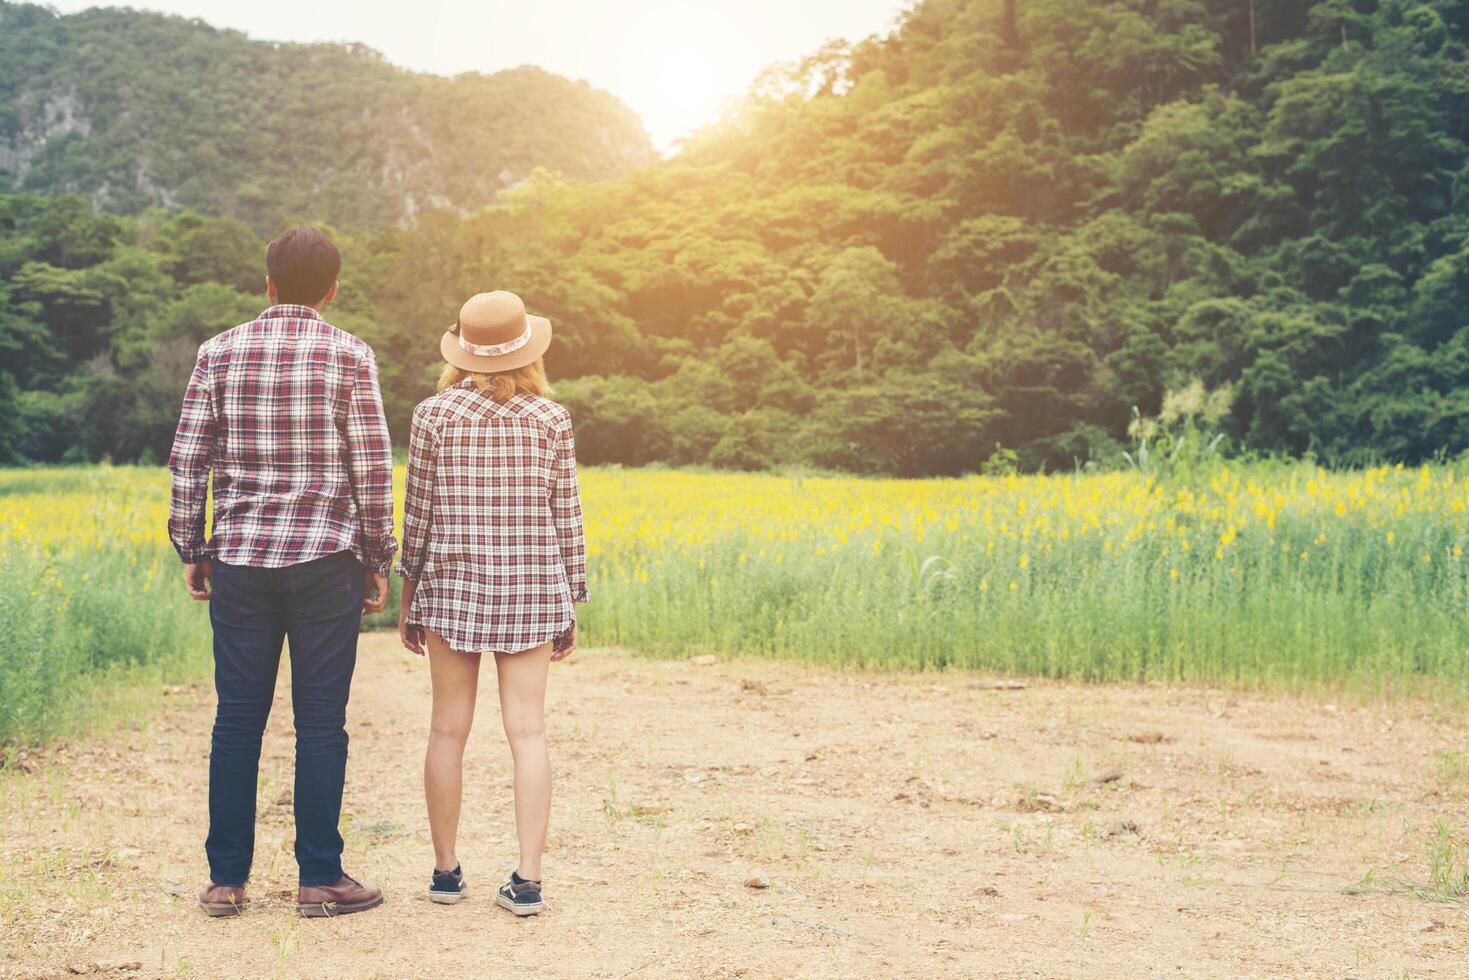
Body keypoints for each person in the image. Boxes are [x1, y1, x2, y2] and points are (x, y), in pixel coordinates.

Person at [167, 227, 396, 918]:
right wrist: (377, 557)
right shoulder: (349, 354)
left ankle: (226, 880)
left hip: (238, 559)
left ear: (267, 283)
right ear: (331, 289)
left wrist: (192, 546)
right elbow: (372, 467)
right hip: (327, 560)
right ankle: (320, 877)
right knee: (321, 722)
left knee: (237, 719)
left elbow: (188, 460)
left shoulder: (219, 352)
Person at [396, 290, 587, 916]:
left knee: (446, 729)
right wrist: (571, 599)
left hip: (451, 588)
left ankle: (445, 873)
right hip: (532, 590)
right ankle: (528, 881)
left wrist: (409, 596)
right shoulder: (550, 419)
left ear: (462, 350)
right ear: (528, 349)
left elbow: (417, 517)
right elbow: (568, 520)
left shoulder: (432, 416)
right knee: (528, 732)